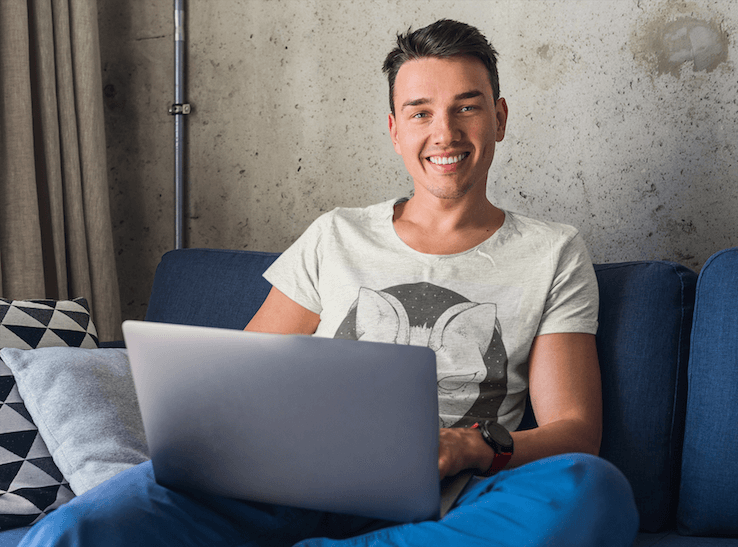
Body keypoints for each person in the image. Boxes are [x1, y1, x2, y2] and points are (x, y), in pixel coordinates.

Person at [20, 19, 638, 547]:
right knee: (74, 532)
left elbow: (575, 433)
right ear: (395, 129)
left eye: (466, 107)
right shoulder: (336, 235)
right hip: (289, 478)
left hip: (455, 494)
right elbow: (241, 378)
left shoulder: (552, 251)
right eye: (421, 112)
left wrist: (472, 447)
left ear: (498, 119)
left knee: (593, 492)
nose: (444, 133)